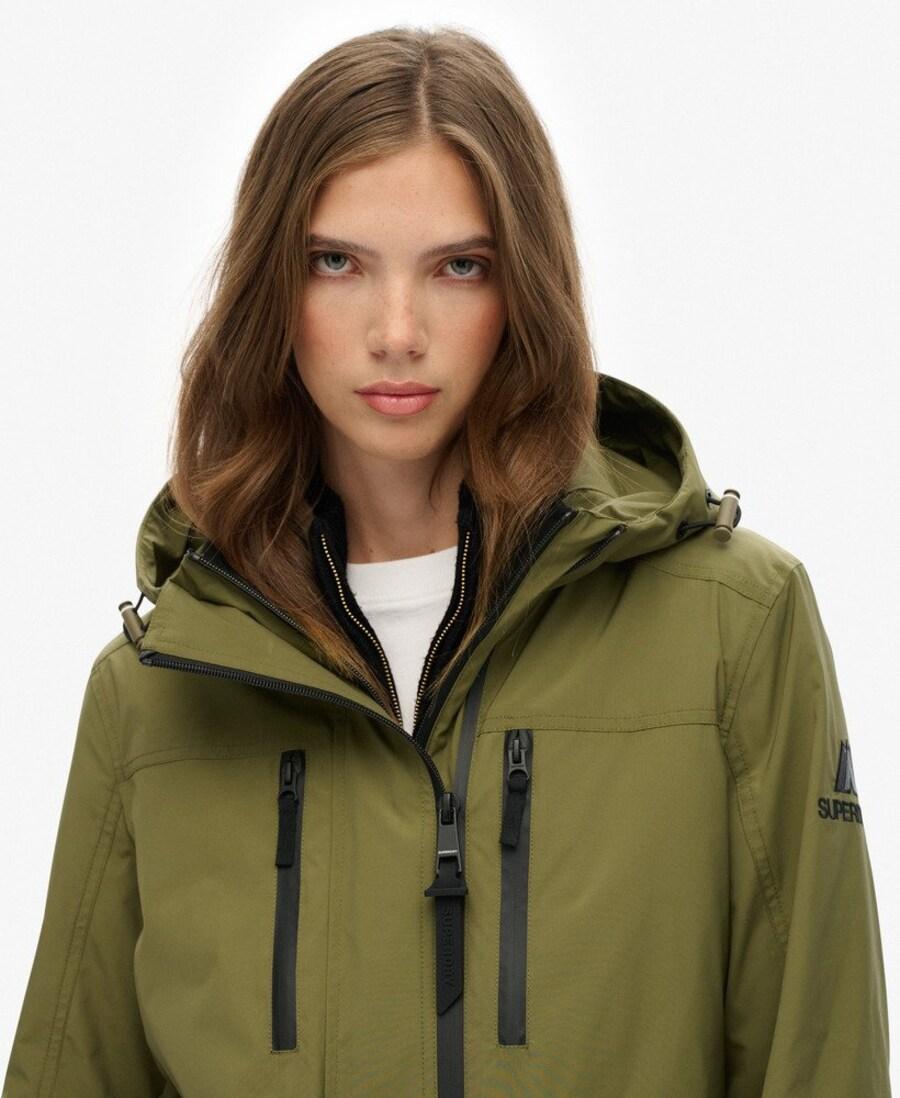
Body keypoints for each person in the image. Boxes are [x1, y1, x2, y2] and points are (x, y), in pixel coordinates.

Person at [3, 24, 891, 1098]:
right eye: (337, 262)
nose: (397, 330)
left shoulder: (732, 627)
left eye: (458, 267)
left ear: (524, 289)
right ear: (271, 289)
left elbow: (821, 1057)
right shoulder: (156, 689)